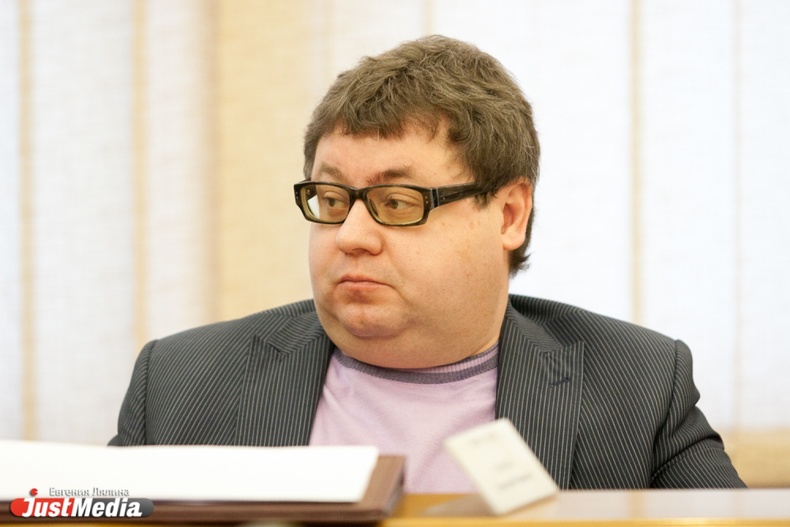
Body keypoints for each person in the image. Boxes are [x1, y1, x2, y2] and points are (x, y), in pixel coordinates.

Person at [110, 35, 745, 492]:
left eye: (397, 202)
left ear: (508, 214)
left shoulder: (635, 386)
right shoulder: (183, 384)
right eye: (331, 199)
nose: (351, 236)